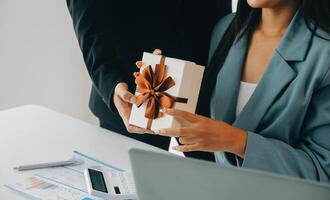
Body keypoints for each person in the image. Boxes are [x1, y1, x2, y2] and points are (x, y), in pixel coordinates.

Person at [148, 0, 330, 183]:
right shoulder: (226, 29)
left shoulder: (324, 54)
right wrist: (157, 98)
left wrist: (237, 141)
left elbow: (323, 173)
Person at [66, 0, 232, 161]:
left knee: (216, 183)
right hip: (132, 94)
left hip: (212, 88)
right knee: (128, 184)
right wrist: (110, 82)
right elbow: (89, 20)